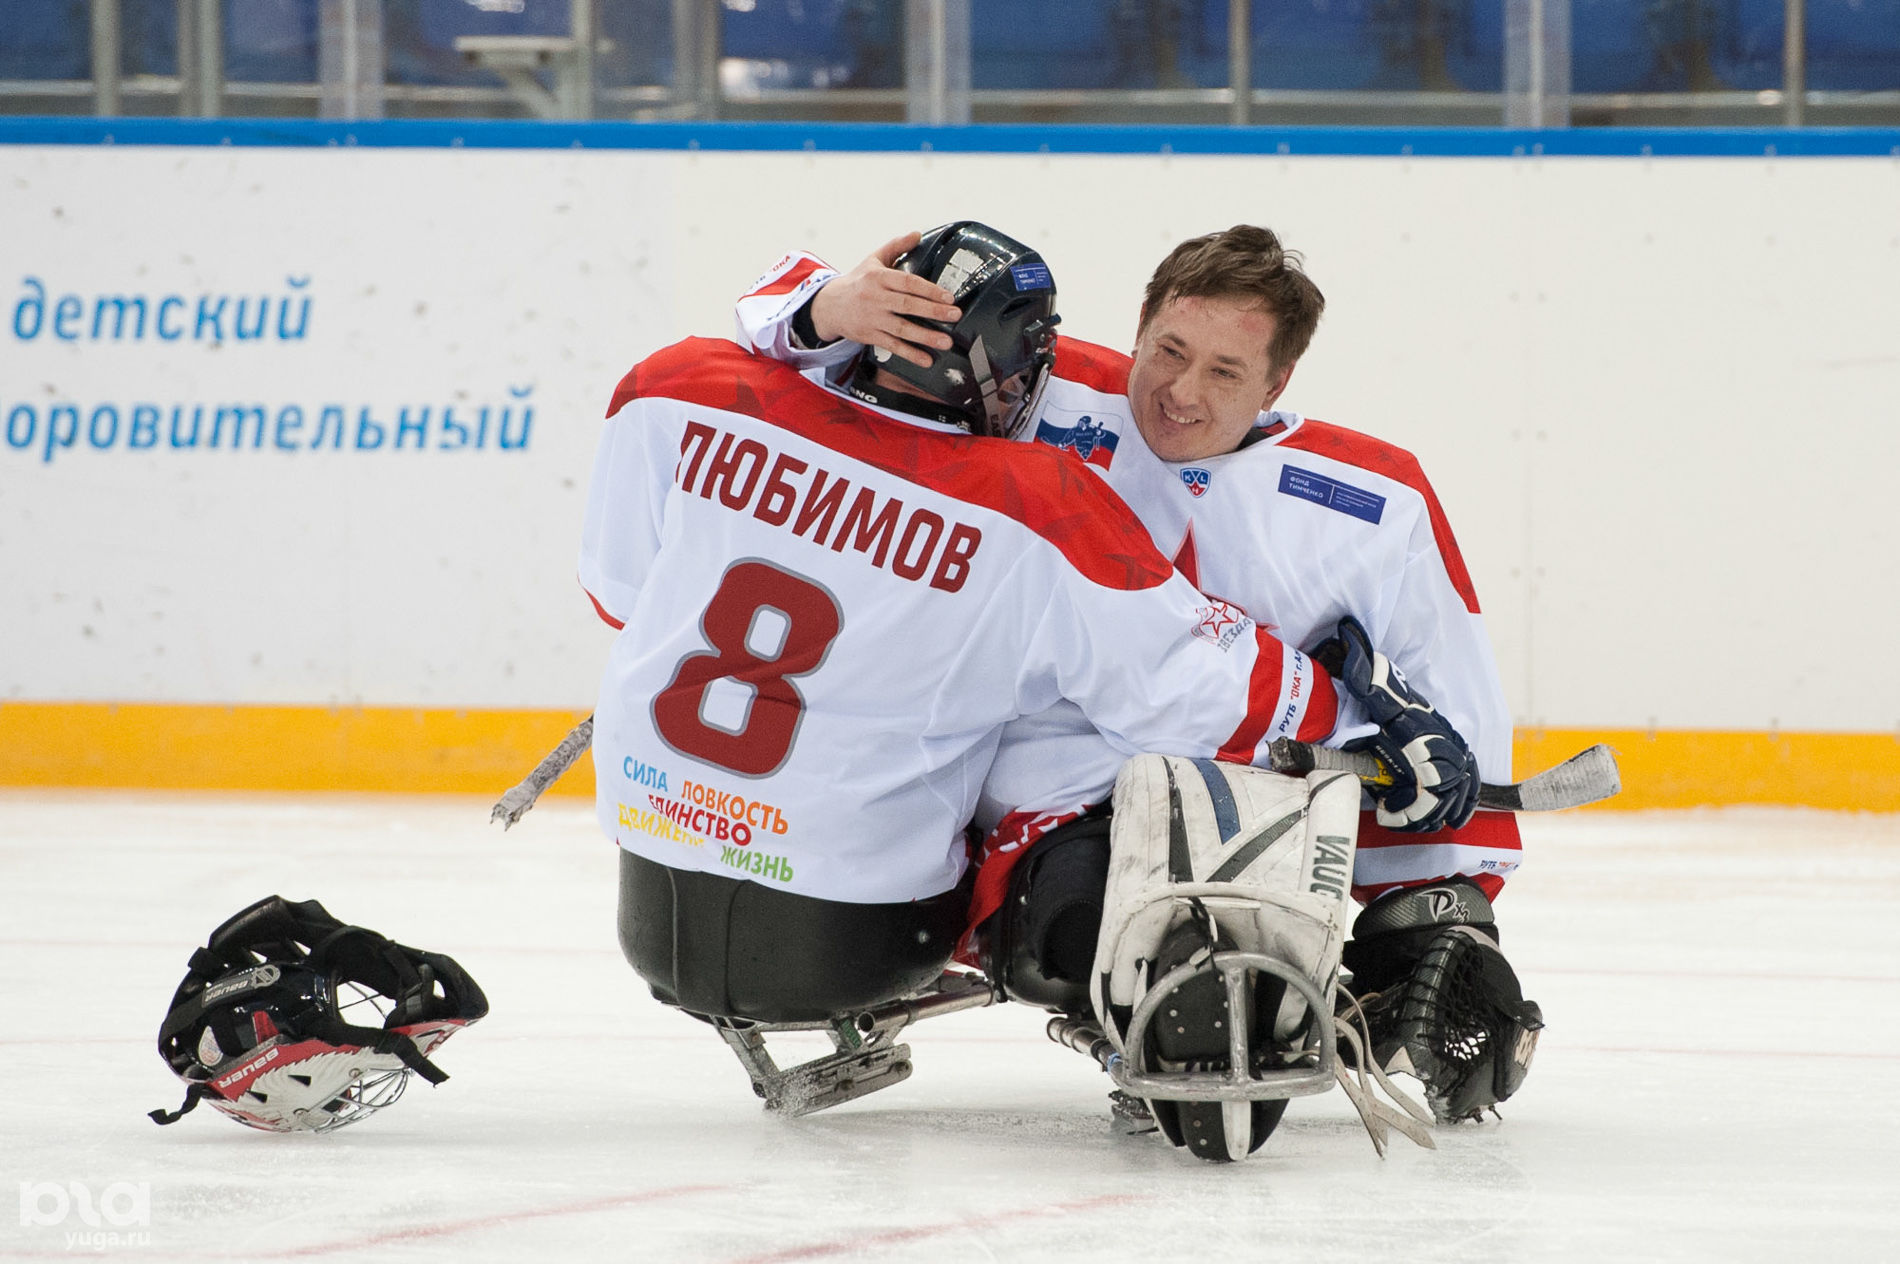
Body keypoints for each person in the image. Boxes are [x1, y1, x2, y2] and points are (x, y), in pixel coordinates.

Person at [580, 224, 1478, 1128]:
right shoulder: (1034, 502)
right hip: (860, 931)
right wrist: (1367, 725)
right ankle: (1133, 980)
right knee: (1122, 773)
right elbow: (1204, 691)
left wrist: (812, 318)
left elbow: (617, 595)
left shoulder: (678, 388)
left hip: (653, 895)